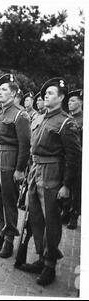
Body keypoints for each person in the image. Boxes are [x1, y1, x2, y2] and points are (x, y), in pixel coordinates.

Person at [22, 78, 81, 286]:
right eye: (45, 93)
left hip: (53, 173)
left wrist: (66, 185)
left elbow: (73, 158)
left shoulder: (66, 123)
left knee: (51, 222)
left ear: (62, 97)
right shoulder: (39, 118)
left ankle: (50, 265)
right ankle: (40, 257)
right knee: (36, 218)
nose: (45, 95)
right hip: (36, 170)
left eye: (51, 93)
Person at [0, 74, 31, 258]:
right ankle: (1, 232)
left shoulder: (20, 114)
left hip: (10, 158)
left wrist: (19, 169)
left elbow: (25, 145)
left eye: (4, 90)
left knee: (9, 200)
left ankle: (9, 239)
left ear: (14, 93)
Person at [63, 89, 83, 229]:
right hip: (66, 157)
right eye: (69, 101)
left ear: (81, 102)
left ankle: (74, 214)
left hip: (79, 158)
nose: (70, 103)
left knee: (77, 187)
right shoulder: (68, 119)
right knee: (66, 183)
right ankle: (65, 211)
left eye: (73, 100)